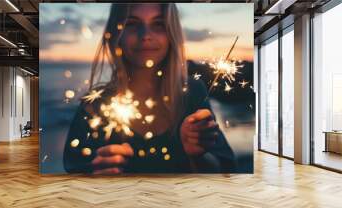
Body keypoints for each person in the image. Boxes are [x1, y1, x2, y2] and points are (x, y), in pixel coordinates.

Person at [63, 3, 235, 174]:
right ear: (115, 34)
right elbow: (72, 178)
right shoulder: (93, 106)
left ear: (171, 33)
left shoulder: (192, 92)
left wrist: (198, 155)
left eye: (158, 24)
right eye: (132, 23)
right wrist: (95, 178)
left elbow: (227, 169)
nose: (145, 35)